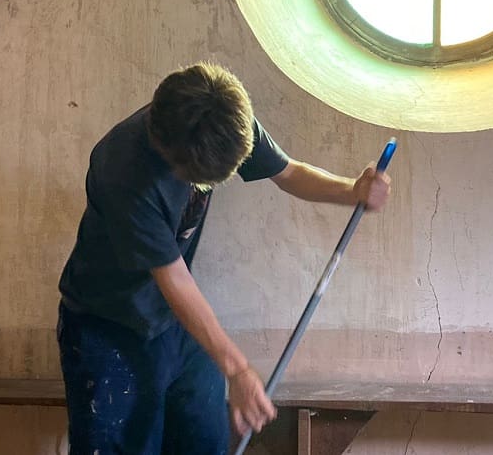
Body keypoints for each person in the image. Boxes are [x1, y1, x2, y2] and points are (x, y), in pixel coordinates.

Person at [57, 62, 391, 454]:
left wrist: (351, 191)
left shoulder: (224, 118)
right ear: (170, 155)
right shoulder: (124, 171)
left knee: (205, 442)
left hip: (175, 325)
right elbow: (174, 279)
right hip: (108, 328)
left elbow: (288, 173)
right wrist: (237, 368)